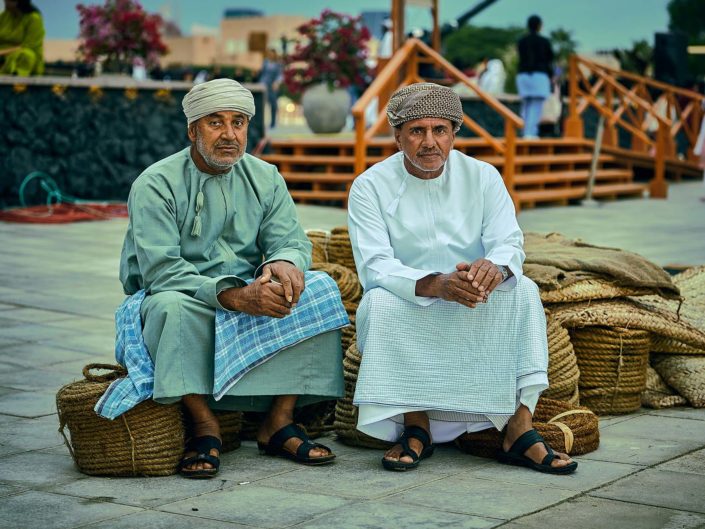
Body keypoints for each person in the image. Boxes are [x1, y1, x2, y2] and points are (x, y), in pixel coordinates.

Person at [117, 78, 348, 478]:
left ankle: (279, 419)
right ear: (193, 130)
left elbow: (289, 241)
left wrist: (283, 266)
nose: (229, 135)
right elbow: (161, 271)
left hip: (247, 288)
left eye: (238, 122)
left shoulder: (266, 177)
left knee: (318, 291)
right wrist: (235, 298)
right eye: (215, 123)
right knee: (171, 308)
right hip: (180, 291)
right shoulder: (155, 184)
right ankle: (205, 426)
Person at [347, 82, 577, 475]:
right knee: (379, 302)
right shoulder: (369, 187)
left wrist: (495, 269)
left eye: (440, 130)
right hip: (413, 293)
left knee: (523, 290)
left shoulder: (483, 176)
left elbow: (508, 241)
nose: (429, 142)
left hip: (474, 292)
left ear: (455, 133)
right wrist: (435, 284)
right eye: (416, 130)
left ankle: (518, 429)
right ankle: (416, 424)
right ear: (397, 135)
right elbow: (375, 265)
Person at [516, 15, 554, 138]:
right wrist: (552, 76)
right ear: (539, 25)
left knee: (526, 104)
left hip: (523, 74)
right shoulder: (544, 41)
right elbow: (549, 60)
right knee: (536, 105)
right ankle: (530, 133)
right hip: (539, 74)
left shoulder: (521, 40)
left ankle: (525, 131)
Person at [0, 0, 44, 76]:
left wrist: (2, 52)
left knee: (26, 55)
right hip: (2, 56)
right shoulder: (4, 16)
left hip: (20, 56)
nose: (5, 2)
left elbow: (29, 46)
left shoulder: (34, 18)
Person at [258, 49, 283, 129]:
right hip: (263, 85)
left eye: (272, 54)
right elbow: (261, 74)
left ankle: (273, 123)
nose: (270, 55)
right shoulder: (265, 62)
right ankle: (260, 123)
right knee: (260, 105)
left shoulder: (278, 64)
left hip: (272, 87)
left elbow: (280, 75)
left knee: (273, 105)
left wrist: (277, 83)